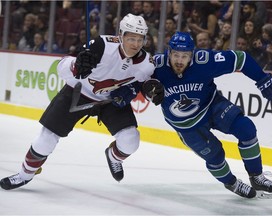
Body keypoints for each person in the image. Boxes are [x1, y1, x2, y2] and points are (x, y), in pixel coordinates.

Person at [0, 13, 162, 190]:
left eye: (140, 39)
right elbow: (63, 65)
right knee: (45, 140)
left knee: (131, 141)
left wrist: (150, 90)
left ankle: (114, 157)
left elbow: (143, 84)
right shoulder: (102, 45)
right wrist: (76, 65)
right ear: (121, 35)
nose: (136, 44)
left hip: (109, 101)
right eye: (131, 38)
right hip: (77, 93)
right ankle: (24, 175)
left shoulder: (147, 62)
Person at [150, 32, 272, 198]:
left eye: (184, 56)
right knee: (215, 157)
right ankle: (232, 183)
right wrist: (144, 90)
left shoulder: (205, 61)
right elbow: (133, 79)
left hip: (212, 106)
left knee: (247, 129)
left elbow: (241, 59)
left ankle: (256, 176)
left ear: (192, 55)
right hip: (186, 125)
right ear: (169, 52)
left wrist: (263, 79)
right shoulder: (155, 66)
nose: (179, 61)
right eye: (176, 55)